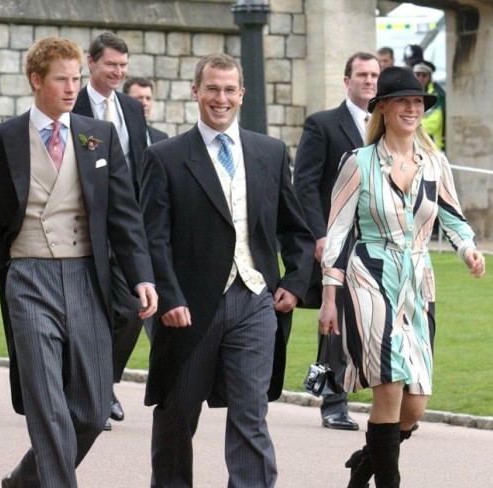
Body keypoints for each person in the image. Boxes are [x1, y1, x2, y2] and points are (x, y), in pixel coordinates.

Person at [0, 36, 157, 488]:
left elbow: (123, 213)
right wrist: (3, 249)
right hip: (28, 277)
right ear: (35, 80)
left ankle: (24, 480)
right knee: (47, 403)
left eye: (76, 78)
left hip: (88, 276)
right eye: (61, 79)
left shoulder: (96, 135)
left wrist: (141, 275)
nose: (71, 88)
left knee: (92, 408)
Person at [140, 53, 314, 488]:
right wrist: (171, 298)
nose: (221, 98)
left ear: (242, 93)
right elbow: (152, 238)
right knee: (178, 413)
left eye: (229, 89)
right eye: (212, 89)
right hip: (190, 308)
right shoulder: (164, 157)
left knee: (250, 412)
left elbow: (295, 228)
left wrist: (294, 282)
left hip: (255, 300)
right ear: (196, 92)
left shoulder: (269, 152)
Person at [318, 66, 485, 488]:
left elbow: (454, 219)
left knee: (414, 406)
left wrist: (468, 249)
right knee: (389, 383)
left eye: (418, 102)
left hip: (418, 284)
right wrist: (329, 294)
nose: (413, 108)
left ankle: (366, 462)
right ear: (384, 109)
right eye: (403, 101)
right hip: (369, 275)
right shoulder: (358, 163)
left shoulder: (435, 164)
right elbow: (337, 230)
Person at [293, 52, 380, 431]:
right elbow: (305, 184)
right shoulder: (323, 125)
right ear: (347, 81)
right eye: (362, 75)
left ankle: (386, 399)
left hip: (380, 242)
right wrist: (319, 235)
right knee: (336, 319)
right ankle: (332, 400)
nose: (369, 81)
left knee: (377, 320)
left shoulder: (388, 126)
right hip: (337, 240)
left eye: (375, 75)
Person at [72, 32, 150, 427]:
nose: (118, 72)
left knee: (133, 308)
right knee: (87, 315)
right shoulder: (73, 104)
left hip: (125, 227)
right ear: (91, 63)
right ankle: (93, 393)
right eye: (110, 65)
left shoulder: (133, 111)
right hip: (81, 229)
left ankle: (103, 384)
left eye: (123, 66)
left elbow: (139, 167)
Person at [123, 77, 168, 145]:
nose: (145, 103)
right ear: (124, 99)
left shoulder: (162, 138)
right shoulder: (117, 132)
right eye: (139, 98)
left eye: (148, 98)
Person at [413, 62, 445, 151]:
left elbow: (433, 124)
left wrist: (409, 127)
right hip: (414, 148)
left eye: (424, 75)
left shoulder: (437, 96)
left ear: (430, 77)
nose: (420, 78)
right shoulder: (409, 94)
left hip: (432, 148)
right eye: (418, 75)